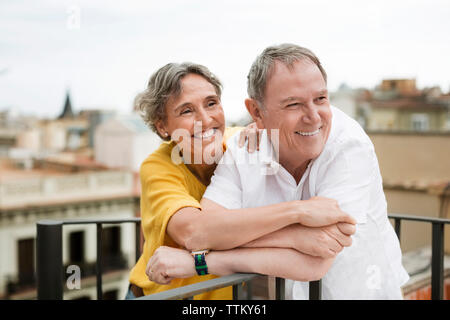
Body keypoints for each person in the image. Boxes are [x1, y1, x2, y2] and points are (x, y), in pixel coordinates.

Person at [147, 44, 410, 299]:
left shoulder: (348, 146)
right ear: (256, 112)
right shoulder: (238, 151)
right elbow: (200, 233)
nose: (314, 117)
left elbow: (314, 263)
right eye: (293, 104)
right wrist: (298, 225)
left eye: (320, 98)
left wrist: (202, 261)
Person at [127, 61, 356, 299]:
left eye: (211, 103)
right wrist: (297, 221)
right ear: (162, 126)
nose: (205, 120)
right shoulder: (157, 167)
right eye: (186, 111)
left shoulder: (241, 141)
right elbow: (194, 233)